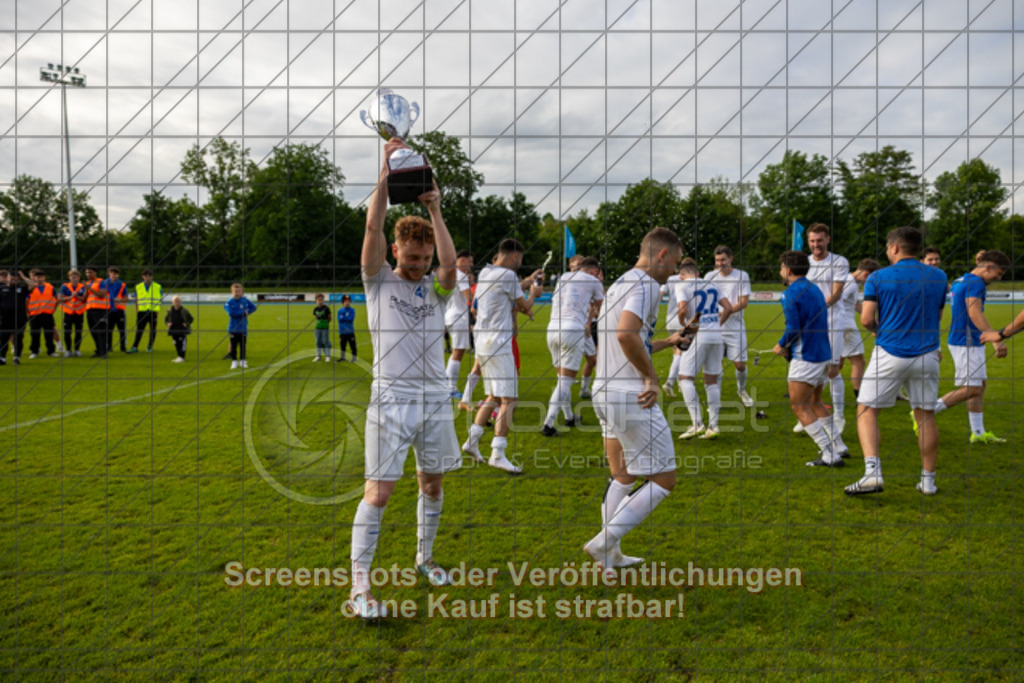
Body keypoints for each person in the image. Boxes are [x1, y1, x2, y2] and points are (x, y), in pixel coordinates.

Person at [348, 138, 461, 621]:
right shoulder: (379, 281)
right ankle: (359, 588)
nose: (417, 266)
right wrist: (384, 176)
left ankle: (425, 558)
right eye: (410, 258)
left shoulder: (436, 288)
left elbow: (452, 268)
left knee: (432, 485)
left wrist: (435, 208)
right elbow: (372, 224)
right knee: (379, 492)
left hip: (435, 397)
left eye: (423, 259)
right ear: (396, 250)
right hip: (391, 398)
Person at [582, 227, 688, 572]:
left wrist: (670, 341)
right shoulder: (646, 284)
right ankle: (603, 543)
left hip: (604, 391)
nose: (674, 271)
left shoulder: (621, 282)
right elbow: (627, 335)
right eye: (674, 263)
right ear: (661, 255)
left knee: (623, 474)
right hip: (630, 394)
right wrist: (651, 377)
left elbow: (628, 339)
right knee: (664, 479)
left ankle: (610, 556)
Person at [845, 227, 948, 496]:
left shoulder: (878, 277)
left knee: (867, 410)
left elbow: (866, 319)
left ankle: (872, 474)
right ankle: (928, 481)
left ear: (894, 248)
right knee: (924, 415)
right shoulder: (939, 276)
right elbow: (936, 317)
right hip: (927, 354)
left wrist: (883, 330)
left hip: (889, 352)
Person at [460, 239, 543, 473]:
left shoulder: (486, 272)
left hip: (483, 341)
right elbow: (524, 306)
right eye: (521, 260)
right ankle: (498, 453)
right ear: (515, 256)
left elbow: (481, 305)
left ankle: (472, 442)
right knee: (510, 399)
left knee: (493, 396)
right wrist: (534, 293)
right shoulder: (507, 276)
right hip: (499, 342)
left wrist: (523, 287)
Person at [923, 250, 1011, 444]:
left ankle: (978, 433)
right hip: (967, 342)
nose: (998, 278)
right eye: (998, 273)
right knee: (972, 388)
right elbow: (974, 313)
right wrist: (996, 339)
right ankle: (924, 411)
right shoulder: (976, 283)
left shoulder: (961, 280)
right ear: (987, 267)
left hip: (967, 340)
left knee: (979, 386)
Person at [773, 251, 847, 467]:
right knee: (815, 402)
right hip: (824, 353)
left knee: (799, 406)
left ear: (787, 269)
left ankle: (829, 454)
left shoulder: (790, 293)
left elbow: (793, 327)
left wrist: (781, 344)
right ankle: (839, 446)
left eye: (781, 267)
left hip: (807, 356)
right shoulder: (814, 288)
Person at [542, 256, 604, 436]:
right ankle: (548, 424)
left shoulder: (564, 277)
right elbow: (602, 308)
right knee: (566, 381)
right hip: (572, 330)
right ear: (594, 271)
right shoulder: (593, 281)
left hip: (552, 328)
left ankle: (569, 416)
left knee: (562, 379)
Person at [799, 223, 849, 435]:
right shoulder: (804, 263)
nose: (816, 245)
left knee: (832, 370)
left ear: (827, 239)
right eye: (812, 241)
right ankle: (808, 414)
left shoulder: (839, 261)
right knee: (808, 369)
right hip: (809, 326)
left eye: (819, 240)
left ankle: (838, 415)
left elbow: (837, 293)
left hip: (832, 322)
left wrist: (815, 311)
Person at [677, 259, 734, 440]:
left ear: (682, 275)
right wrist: (718, 323)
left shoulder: (683, 286)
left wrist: (684, 325)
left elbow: (683, 309)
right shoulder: (711, 284)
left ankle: (697, 423)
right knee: (711, 380)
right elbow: (729, 308)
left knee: (685, 378)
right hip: (716, 335)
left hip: (698, 334)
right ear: (698, 273)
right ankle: (714, 425)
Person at [833, 258, 881, 432]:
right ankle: (859, 396)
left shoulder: (848, 280)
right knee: (858, 361)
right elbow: (838, 301)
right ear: (866, 274)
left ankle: (819, 391)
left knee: (838, 362)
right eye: (869, 278)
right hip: (846, 326)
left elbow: (854, 304)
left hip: (842, 325)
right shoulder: (850, 284)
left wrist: (872, 318)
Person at [703, 245, 754, 407]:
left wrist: (725, 311)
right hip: (714, 327)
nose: (720, 263)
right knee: (714, 364)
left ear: (731, 259)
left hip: (735, 327)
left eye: (723, 260)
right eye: (717, 260)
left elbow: (744, 302)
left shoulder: (741, 275)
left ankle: (741, 390)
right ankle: (715, 397)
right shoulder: (709, 276)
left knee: (740, 364)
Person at [443, 250, 474, 397]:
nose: (471, 265)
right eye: (470, 261)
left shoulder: (449, 274)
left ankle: (447, 385)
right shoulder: (460, 276)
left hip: (448, 315)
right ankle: (450, 388)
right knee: (458, 353)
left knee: (455, 353)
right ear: (462, 261)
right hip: (458, 317)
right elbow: (469, 297)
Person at [660, 263, 687, 396]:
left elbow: (660, 294)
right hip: (683, 319)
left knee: (676, 351)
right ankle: (670, 383)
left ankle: (679, 384)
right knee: (682, 353)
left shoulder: (669, 279)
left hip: (670, 319)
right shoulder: (689, 281)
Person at [0, 269, 30, 365]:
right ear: (7, 278)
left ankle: (16, 357)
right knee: (3, 338)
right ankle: (2, 358)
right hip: (4, 318)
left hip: (20, 318)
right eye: (11, 279)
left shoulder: (22, 289)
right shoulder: (2, 288)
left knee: (18, 338)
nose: (13, 281)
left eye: (16, 279)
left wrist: (23, 275)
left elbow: (33, 284)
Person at [27, 269, 59, 359]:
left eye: (41, 277)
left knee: (48, 333)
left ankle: (51, 351)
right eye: (37, 277)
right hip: (34, 314)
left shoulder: (50, 287)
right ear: (35, 278)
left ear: (44, 277)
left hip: (47, 314)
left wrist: (53, 309)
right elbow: (26, 300)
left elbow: (57, 299)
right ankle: (34, 351)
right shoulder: (31, 287)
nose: (39, 279)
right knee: (34, 334)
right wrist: (27, 312)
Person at [129, 269, 162, 353]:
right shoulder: (138, 286)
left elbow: (159, 299)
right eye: (146, 276)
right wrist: (137, 310)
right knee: (139, 330)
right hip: (142, 311)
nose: (148, 278)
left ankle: (150, 346)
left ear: (152, 277)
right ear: (142, 276)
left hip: (152, 311)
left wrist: (157, 311)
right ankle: (135, 347)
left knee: (152, 330)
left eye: (149, 276)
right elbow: (136, 299)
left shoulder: (157, 286)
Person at [224, 283, 256, 369]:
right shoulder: (229, 303)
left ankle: (243, 361)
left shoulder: (245, 300)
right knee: (233, 346)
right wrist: (243, 313)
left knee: (243, 346)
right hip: (233, 328)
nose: (237, 293)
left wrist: (248, 312)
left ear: (242, 292)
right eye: (235, 291)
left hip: (243, 328)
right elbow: (231, 314)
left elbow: (253, 307)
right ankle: (234, 361)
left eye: (239, 291)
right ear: (232, 292)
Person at [83, 267, 111, 358]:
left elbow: (102, 295)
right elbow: (85, 298)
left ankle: (104, 352)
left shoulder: (102, 282)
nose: (88, 274)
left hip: (100, 310)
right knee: (93, 331)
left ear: (95, 272)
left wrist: (89, 288)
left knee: (101, 331)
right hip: (90, 309)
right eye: (86, 273)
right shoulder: (88, 283)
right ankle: (99, 350)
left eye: (90, 272)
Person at [59, 269, 86, 357]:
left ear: (79, 278)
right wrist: (71, 297)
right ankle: (68, 350)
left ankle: (77, 349)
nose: (74, 278)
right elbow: (60, 299)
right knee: (67, 332)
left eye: (76, 276)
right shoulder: (64, 286)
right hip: (68, 312)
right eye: (72, 276)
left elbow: (85, 299)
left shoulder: (82, 287)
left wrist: (77, 296)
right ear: (69, 277)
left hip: (79, 312)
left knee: (78, 332)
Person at [105, 267, 129, 353]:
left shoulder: (122, 285)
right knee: (108, 330)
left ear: (118, 275)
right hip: (108, 309)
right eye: (112, 273)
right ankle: (108, 347)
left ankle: (123, 347)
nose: (114, 275)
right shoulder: (104, 284)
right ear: (109, 273)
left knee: (122, 330)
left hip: (119, 310)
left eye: (115, 274)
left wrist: (120, 300)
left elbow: (126, 298)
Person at [165, 295, 193, 362]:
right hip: (173, 330)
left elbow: (191, 319)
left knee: (182, 343)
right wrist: (168, 323)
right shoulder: (169, 310)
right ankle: (179, 356)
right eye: (175, 301)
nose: (177, 302)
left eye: (178, 301)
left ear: (181, 302)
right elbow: (166, 319)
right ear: (172, 302)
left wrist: (186, 323)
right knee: (176, 343)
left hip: (182, 330)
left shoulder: (184, 310)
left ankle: (182, 357)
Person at [311, 293, 332, 361]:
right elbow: (315, 317)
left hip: (325, 327)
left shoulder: (326, 308)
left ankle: (327, 355)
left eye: (322, 300)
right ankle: (318, 355)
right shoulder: (315, 309)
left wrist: (325, 323)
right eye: (319, 300)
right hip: (317, 327)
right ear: (316, 300)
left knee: (325, 341)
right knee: (318, 341)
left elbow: (329, 318)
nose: (320, 301)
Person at [336, 294, 357, 362]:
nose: (347, 303)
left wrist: (343, 317)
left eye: (349, 301)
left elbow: (350, 319)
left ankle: (354, 357)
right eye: (346, 301)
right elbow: (339, 320)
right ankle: (342, 358)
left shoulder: (352, 310)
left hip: (350, 331)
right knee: (342, 345)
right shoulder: (340, 310)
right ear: (343, 302)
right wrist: (345, 318)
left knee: (352, 345)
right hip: (342, 331)